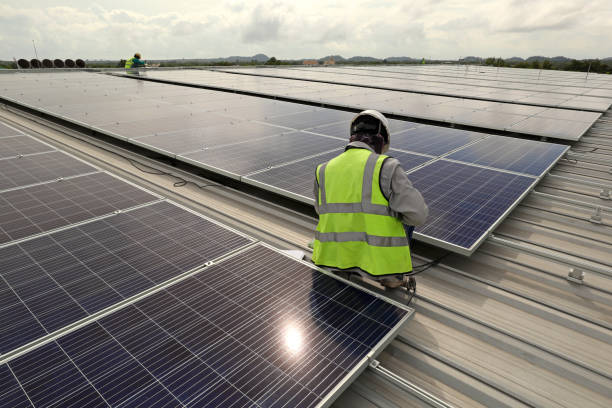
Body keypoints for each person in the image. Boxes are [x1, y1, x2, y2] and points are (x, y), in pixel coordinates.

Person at [312, 110, 428, 288]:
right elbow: (418, 216)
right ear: (381, 140)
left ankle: (348, 265)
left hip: (331, 259)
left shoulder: (323, 169)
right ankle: (392, 277)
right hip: (377, 265)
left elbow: (321, 211)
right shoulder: (387, 166)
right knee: (405, 211)